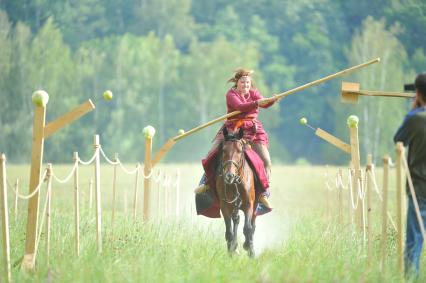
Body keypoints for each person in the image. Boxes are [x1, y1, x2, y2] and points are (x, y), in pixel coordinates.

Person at [195, 68, 278, 208]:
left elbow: (263, 103)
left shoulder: (254, 93)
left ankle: (263, 193)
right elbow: (241, 106)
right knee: (213, 153)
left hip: (253, 129)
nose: (245, 85)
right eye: (242, 82)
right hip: (232, 128)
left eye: (247, 82)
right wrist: (258, 103)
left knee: (266, 161)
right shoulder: (231, 94)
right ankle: (206, 184)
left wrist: (272, 100)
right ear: (237, 83)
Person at [394, 72, 426, 278]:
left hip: (419, 187)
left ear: (418, 93)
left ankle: (411, 279)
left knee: (414, 241)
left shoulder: (415, 119)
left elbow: (399, 139)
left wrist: (414, 110)